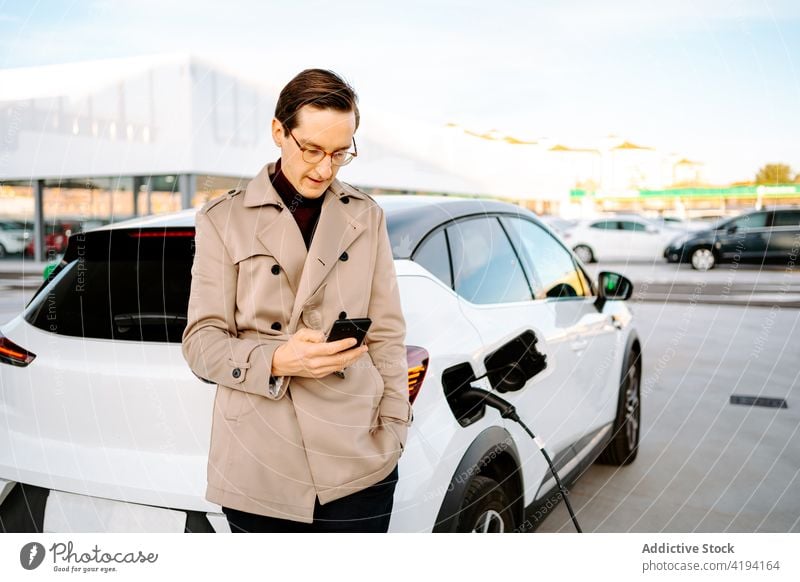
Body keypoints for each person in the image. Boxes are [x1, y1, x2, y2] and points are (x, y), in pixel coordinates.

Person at [181, 69, 412, 532]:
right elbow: (200, 344)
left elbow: (387, 332)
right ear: (278, 132)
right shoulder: (222, 219)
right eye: (311, 150)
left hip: (359, 460)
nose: (325, 169)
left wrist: (393, 426)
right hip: (260, 463)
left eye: (340, 154)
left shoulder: (366, 217)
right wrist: (280, 359)